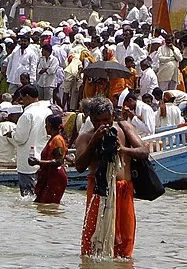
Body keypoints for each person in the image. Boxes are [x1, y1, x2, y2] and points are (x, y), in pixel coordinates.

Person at [74, 96, 149, 260]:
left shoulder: (124, 128)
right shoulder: (85, 137)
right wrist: (94, 142)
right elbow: (79, 166)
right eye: (98, 121)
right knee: (92, 241)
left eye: (106, 120)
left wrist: (122, 149)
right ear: (91, 119)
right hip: (98, 190)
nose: (103, 125)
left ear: (113, 116)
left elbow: (144, 152)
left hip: (123, 189)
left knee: (125, 241)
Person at [12, 85, 52, 198]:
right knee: (41, 195)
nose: (21, 102)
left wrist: (12, 134)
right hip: (43, 159)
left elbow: (20, 138)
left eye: (22, 98)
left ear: (28, 97)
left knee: (27, 197)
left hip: (27, 162)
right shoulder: (47, 111)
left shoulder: (27, 114)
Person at [34, 112, 69, 205]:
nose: (45, 127)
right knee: (41, 204)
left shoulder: (57, 139)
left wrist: (38, 162)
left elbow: (59, 161)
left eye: (46, 124)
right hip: (50, 175)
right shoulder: (53, 139)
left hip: (56, 177)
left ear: (49, 125)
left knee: (49, 204)